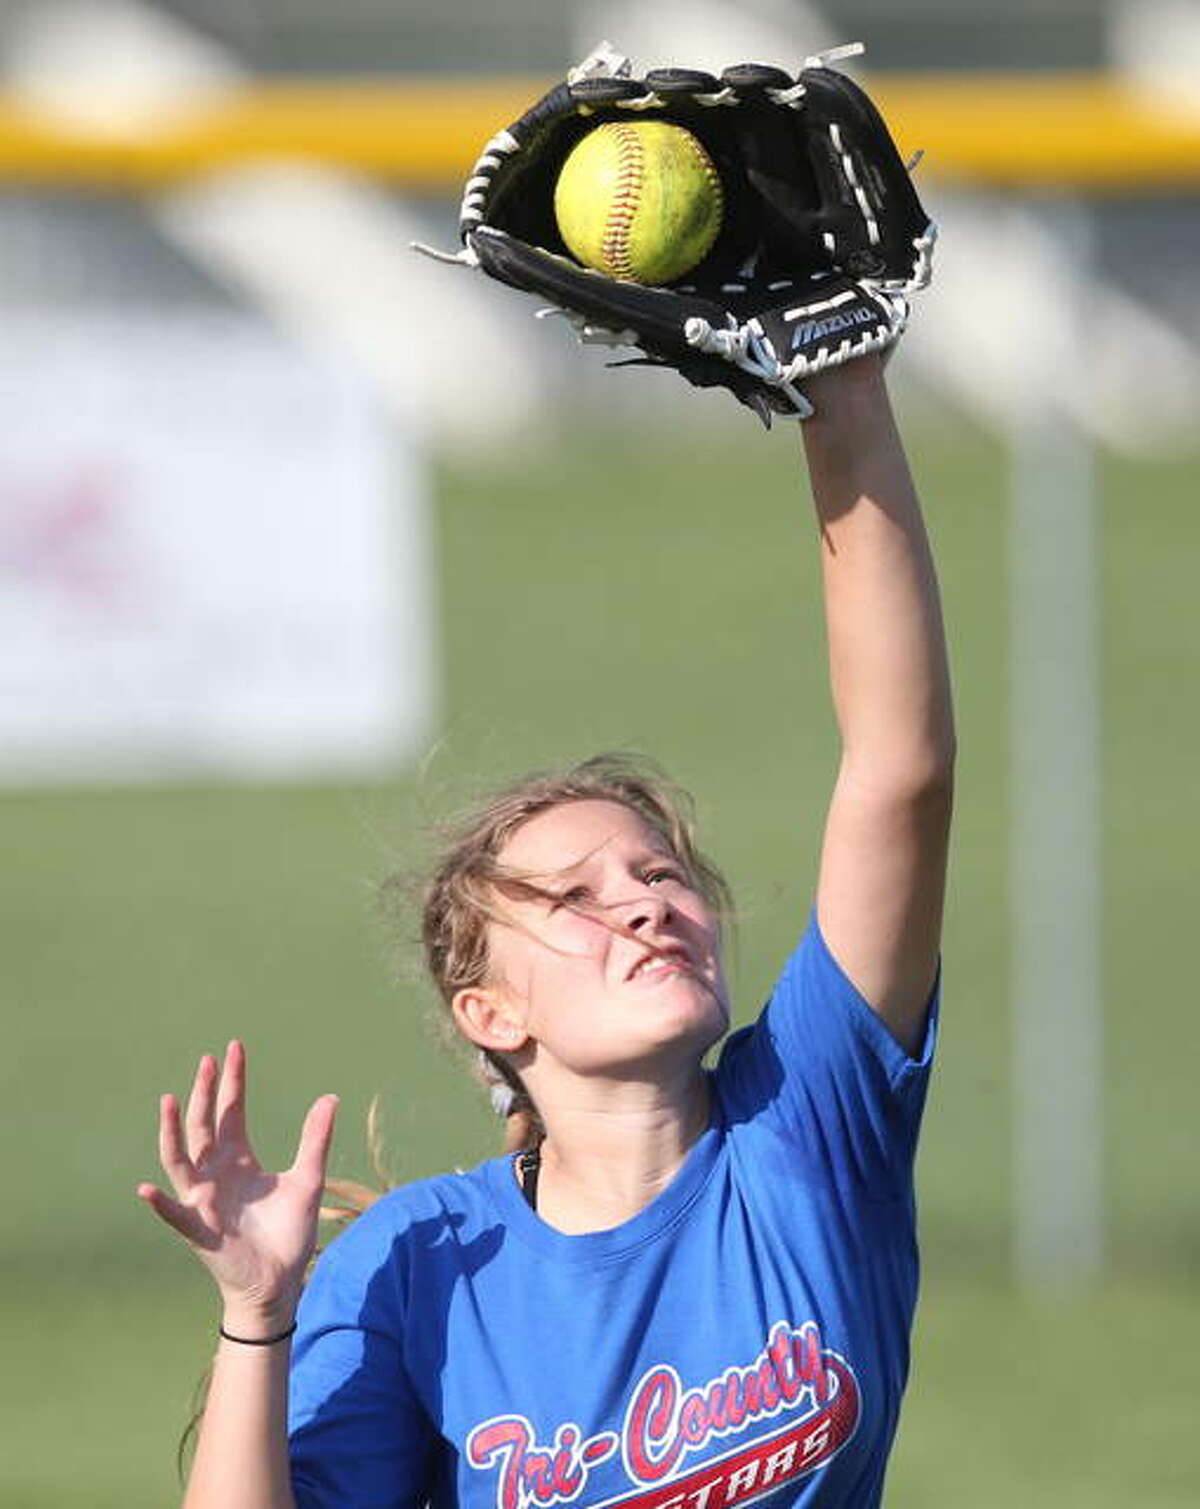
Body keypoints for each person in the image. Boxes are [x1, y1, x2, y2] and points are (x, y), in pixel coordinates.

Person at [138, 353, 954, 1509]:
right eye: (574, 896)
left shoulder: (808, 1126)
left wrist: (849, 396)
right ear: (489, 1012)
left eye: (662, 873)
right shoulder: (425, 1260)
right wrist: (257, 1316)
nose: (644, 901)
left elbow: (900, 775)